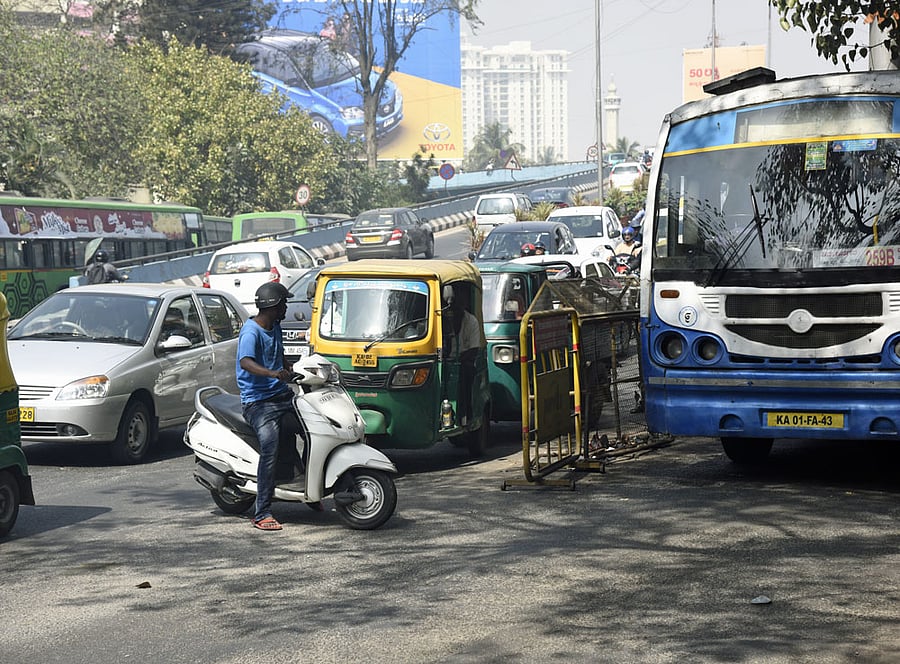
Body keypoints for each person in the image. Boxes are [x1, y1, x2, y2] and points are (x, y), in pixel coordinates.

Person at [237, 282, 318, 532]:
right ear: (273, 306)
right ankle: (262, 512)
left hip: (281, 396)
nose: (286, 308)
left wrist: (294, 370)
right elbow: (247, 362)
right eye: (283, 303)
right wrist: (273, 374)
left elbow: (279, 355)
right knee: (269, 448)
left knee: (313, 429)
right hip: (258, 403)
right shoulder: (251, 332)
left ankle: (309, 487)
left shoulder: (275, 326)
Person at [448, 285, 480, 426]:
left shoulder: (471, 321)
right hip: (444, 360)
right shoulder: (442, 320)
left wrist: (457, 360)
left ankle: (465, 413)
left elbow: (474, 350)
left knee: (465, 373)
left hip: (462, 362)